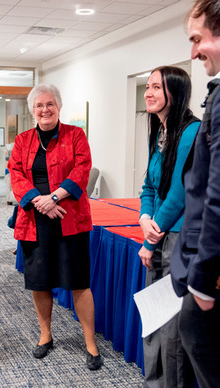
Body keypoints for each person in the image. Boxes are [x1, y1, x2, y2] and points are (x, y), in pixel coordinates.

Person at [8, 84, 102, 370]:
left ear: (59, 107)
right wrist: (39, 201)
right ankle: (45, 335)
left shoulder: (76, 135)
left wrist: (53, 198)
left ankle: (90, 343)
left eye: (50, 104)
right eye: (39, 105)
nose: (45, 110)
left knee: (79, 282)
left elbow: (82, 169)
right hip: (35, 221)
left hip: (69, 218)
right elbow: (15, 172)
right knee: (40, 282)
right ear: (32, 110)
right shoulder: (23, 140)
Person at [138, 66, 200, 388]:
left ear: (174, 93)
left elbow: (179, 192)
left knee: (172, 329)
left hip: (176, 239)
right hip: (158, 232)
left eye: (156, 87)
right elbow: (149, 186)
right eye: (147, 86)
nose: (148, 92)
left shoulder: (191, 132)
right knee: (153, 320)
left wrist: (151, 238)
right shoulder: (158, 132)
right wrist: (144, 219)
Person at [170, 1, 220, 387]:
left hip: (208, 268)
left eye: (198, 38)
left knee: (199, 342)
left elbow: (214, 191)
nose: (193, 51)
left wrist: (203, 276)